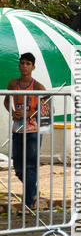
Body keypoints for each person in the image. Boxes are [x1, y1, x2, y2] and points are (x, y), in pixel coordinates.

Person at [3, 52, 46, 210]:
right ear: (19, 65)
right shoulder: (13, 84)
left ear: (33, 67)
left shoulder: (38, 87)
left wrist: (29, 114)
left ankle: (29, 203)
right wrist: (12, 112)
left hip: (33, 131)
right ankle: (33, 192)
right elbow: (7, 101)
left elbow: (47, 109)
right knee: (18, 168)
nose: (24, 66)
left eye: (28, 64)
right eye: (22, 63)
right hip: (17, 130)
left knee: (30, 166)